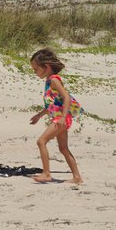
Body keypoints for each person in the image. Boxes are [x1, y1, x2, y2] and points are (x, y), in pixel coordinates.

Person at [29, 48, 83, 184]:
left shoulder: (54, 80)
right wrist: (39, 115)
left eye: (35, 69)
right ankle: (77, 177)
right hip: (60, 118)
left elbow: (66, 98)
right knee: (63, 148)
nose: (34, 72)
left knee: (41, 141)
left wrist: (63, 118)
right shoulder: (49, 81)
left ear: (46, 67)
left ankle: (46, 174)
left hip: (61, 119)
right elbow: (53, 104)